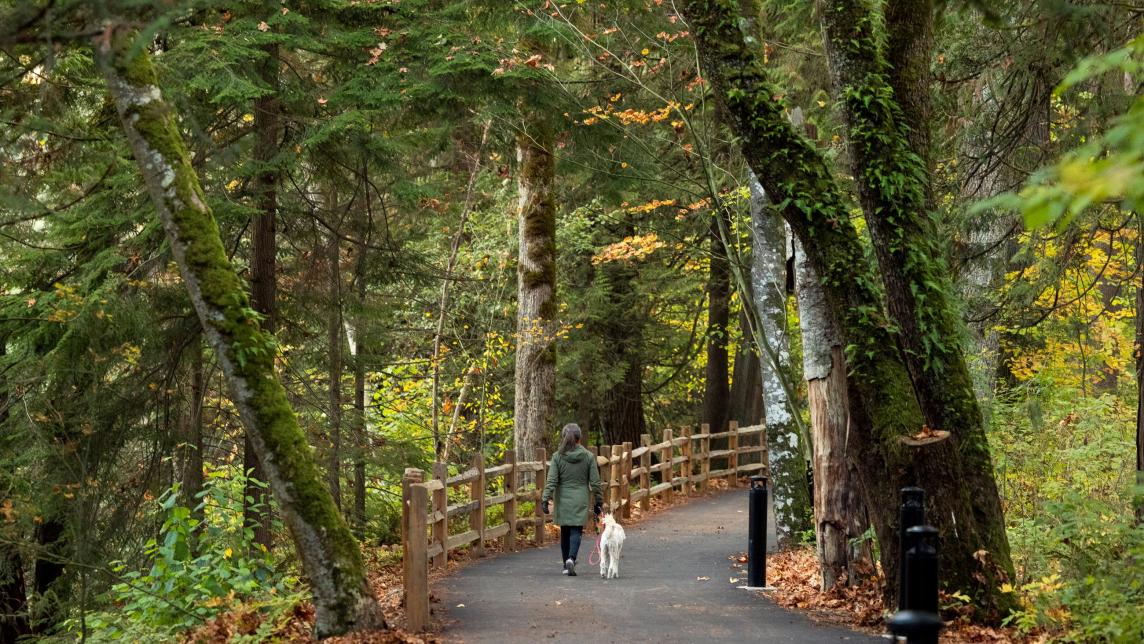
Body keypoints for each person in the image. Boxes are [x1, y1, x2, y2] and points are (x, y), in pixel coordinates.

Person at [540, 423, 603, 576]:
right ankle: (571, 558)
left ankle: (565, 565)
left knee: (565, 531)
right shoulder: (588, 456)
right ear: (579, 438)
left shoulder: (557, 457)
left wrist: (545, 498)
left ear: (564, 438)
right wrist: (599, 501)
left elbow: (552, 480)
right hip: (580, 497)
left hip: (562, 498)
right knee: (576, 530)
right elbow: (595, 482)